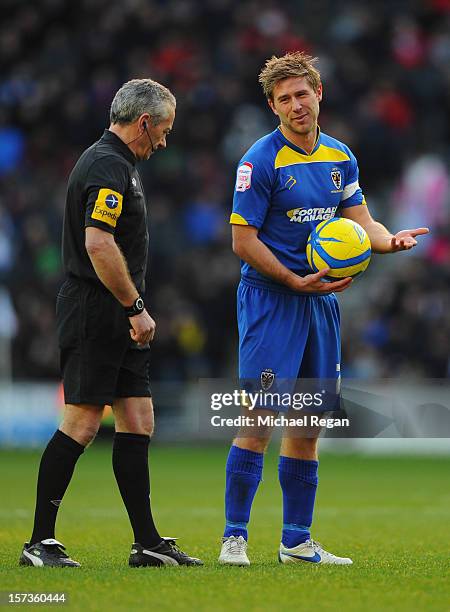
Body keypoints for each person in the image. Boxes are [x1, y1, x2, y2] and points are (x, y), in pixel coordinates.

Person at [218, 52, 429, 566]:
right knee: (258, 417)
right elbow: (242, 242)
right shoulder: (259, 161)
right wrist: (292, 278)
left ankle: (295, 541)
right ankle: (234, 537)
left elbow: (362, 222)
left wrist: (388, 241)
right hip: (272, 299)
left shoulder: (340, 157)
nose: (296, 105)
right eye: (284, 98)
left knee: (309, 424)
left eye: (302, 94)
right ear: (273, 106)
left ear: (319, 95)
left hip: (322, 303)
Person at [20, 79, 202, 568]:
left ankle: (146, 542)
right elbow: (99, 244)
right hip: (98, 310)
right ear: (143, 122)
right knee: (81, 422)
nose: (164, 141)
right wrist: (134, 306)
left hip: (114, 311)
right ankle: (39, 542)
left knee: (139, 419)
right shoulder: (107, 165)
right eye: (162, 130)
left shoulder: (119, 164)